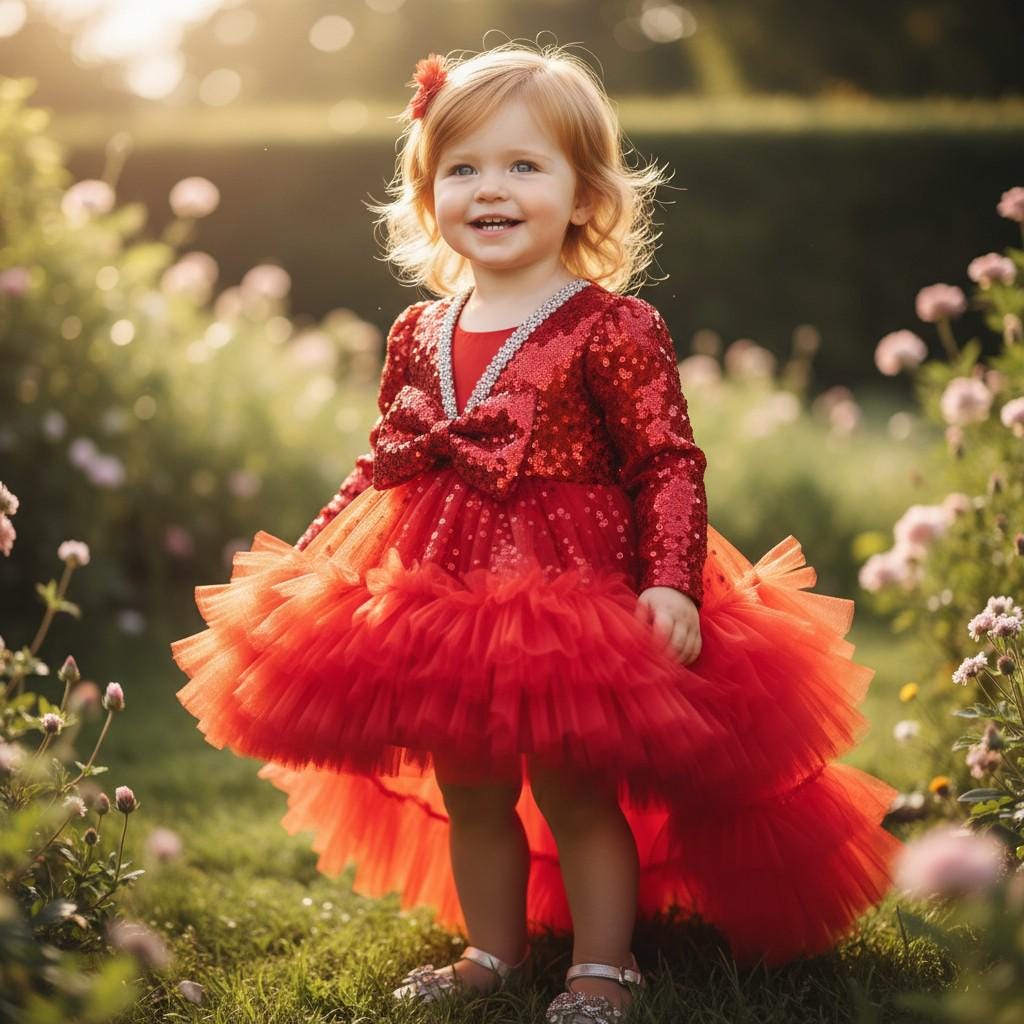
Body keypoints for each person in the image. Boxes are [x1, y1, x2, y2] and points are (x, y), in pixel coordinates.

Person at [170, 42, 904, 1024]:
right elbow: (387, 457)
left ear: (584, 193)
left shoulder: (612, 325)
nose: (491, 189)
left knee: (574, 787)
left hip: (575, 594)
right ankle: (493, 947)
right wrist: (315, 552)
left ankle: (606, 963)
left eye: (524, 166)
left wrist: (671, 580)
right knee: (472, 787)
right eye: (462, 168)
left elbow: (666, 463)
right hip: (444, 593)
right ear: (428, 196)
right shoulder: (417, 332)